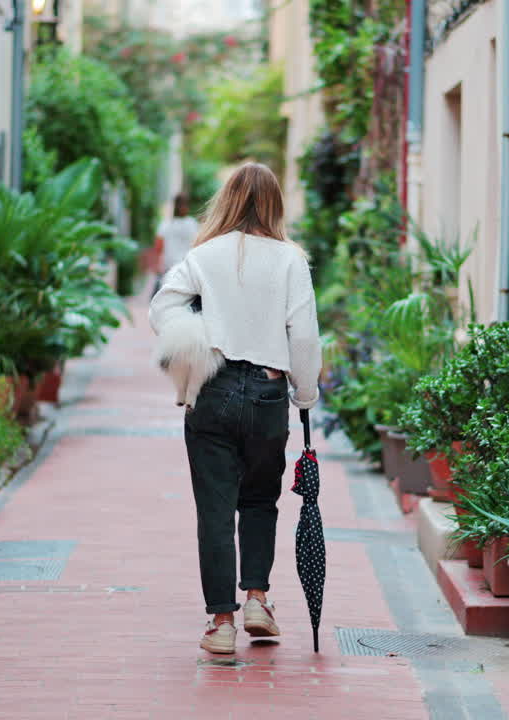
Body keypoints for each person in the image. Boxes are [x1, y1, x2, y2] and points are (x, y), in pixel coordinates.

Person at [148, 163, 322, 655]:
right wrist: (304, 395)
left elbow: (163, 308)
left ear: (226, 200)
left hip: (215, 389)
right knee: (261, 500)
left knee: (215, 509)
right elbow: (303, 336)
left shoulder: (204, 255)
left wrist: (200, 343)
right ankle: (258, 600)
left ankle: (221, 623)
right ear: (275, 204)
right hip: (268, 393)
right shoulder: (291, 260)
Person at [152, 193, 199, 295]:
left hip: (170, 269)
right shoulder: (192, 224)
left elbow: (158, 248)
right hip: (185, 269)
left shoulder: (166, 224)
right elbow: (197, 245)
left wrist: (157, 267)